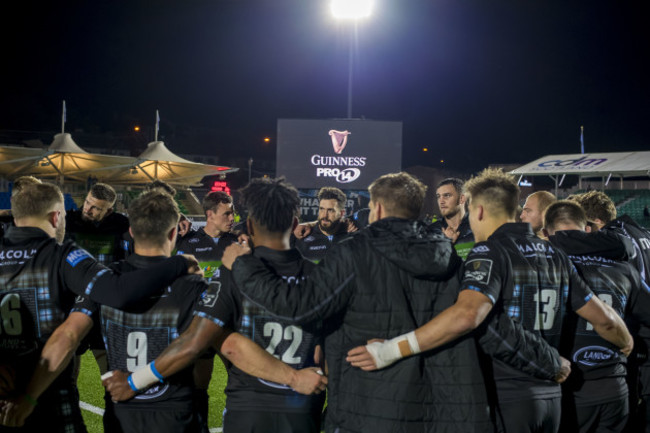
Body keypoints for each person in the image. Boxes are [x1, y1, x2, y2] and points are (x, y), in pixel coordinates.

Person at [346, 168, 632, 433]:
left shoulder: (490, 250)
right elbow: (604, 319)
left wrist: (391, 350)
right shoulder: (555, 254)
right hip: (552, 399)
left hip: (505, 395)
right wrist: (625, 342)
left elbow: (467, 315)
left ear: (479, 210)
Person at [223, 172, 496, 433]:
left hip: (369, 403)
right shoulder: (450, 257)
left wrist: (242, 265)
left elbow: (298, 306)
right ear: (416, 210)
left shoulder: (353, 252)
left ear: (376, 209)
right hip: (437, 407)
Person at [102, 178, 328, 432]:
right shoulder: (323, 276)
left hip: (248, 409)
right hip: (303, 406)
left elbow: (198, 342)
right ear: (296, 224)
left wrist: (133, 383)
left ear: (250, 225)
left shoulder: (232, 272)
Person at [0, 183, 198, 431]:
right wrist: (178, 263)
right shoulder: (62, 255)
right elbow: (117, 292)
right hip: (48, 396)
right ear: (56, 216)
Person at [544, 200, 650, 433]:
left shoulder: (548, 266)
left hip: (568, 387)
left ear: (546, 233)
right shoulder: (624, 268)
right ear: (587, 229)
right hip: (615, 386)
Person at [173, 190, 239, 431]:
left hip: (230, 324)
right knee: (200, 382)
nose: (232, 218)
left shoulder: (237, 242)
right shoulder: (185, 242)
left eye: (232, 212)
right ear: (210, 215)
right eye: (227, 213)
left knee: (240, 379)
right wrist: (177, 217)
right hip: (198, 324)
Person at [65, 182, 131, 265]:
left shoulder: (121, 225)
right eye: (87, 202)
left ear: (108, 211)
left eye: (95, 208)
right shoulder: (69, 221)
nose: (87, 210)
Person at [294, 186, 351, 262]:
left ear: (341, 213)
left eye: (330, 210)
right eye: (321, 209)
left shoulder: (351, 234)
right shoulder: (303, 237)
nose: (324, 215)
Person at [430, 177, 474, 259]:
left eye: (447, 195)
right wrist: (446, 243)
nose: (441, 201)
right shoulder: (432, 231)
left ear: (462, 199)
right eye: (438, 196)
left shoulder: (475, 227)